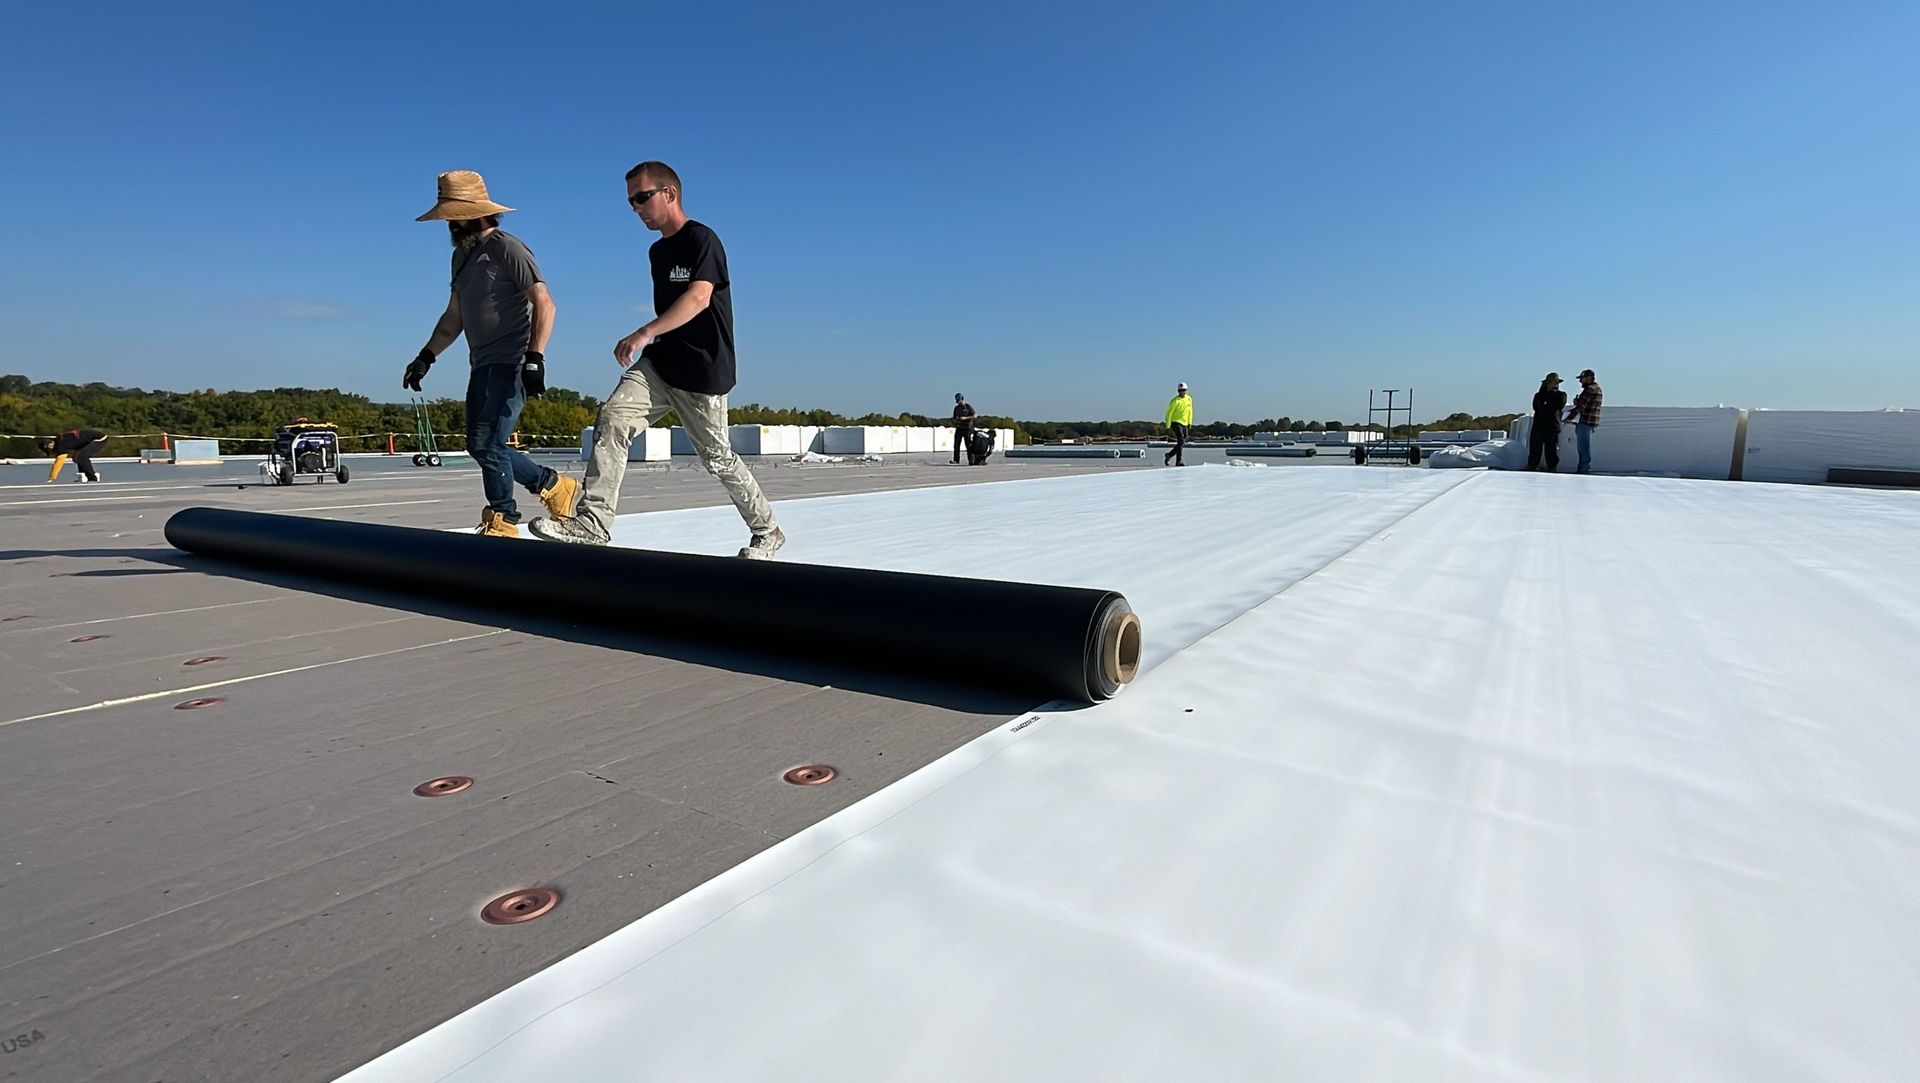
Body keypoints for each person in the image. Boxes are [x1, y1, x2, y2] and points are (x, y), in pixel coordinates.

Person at [531, 161, 783, 559]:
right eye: (631, 201)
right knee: (613, 417)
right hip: (660, 365)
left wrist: (645, 330)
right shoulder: (658, 251)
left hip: (702, 373)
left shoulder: (703, 240)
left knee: (717, 458)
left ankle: (767, 530)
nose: (636, 207)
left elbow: (699, 297)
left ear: (670, 194)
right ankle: (592, 523)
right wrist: (653, 338)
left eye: (643, 197)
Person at [405, 170, 578, 538]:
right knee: (479, 446)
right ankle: (552, 485)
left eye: (454, 215)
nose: (450, 223)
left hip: (512, 361)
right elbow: (454, 318)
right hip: (481, 364)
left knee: (492, 443)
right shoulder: (461, 259)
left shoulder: (506, 247)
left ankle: (504, 519)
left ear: (475, 213)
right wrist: (426, 356)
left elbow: (545, 304)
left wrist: (535, 358)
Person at [1527, 372, 1566, 472]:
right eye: (1554, 382)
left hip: (1552, 426)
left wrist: (1546, 405)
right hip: (1539, 425)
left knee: (1551, 449)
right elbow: (1536, 407)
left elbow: (1558, 405)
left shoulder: (1560, 395)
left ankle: (1552, 467)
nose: (1556, 384)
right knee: (1535, 447)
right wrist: (1547, 405)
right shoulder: (1539, 395)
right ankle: (1532, 465)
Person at [1569, 368, 1604, 474]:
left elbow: (1581, 407)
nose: (1580, 381)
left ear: (1589, 378)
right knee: (1584, 448)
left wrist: (1568, 417)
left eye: (1582, 378)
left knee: (1583, 449)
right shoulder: (1597, 389)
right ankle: (1583, 470)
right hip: (1590, 423)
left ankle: (1583, 471)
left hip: (1585, 422)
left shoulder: (1590, 389)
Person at [42, 428, 106, 483]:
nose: (53, 451)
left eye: (50, 449)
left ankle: (92, 478)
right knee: (77, 457)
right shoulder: (61, 439)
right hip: (90, 440)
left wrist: (52, 478)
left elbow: (59, 462)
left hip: (100, 439)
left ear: (50, 444)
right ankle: (83, 475)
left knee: (81, 456)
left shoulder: (62, 444)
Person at [1163, 382, 1193, 466]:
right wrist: (1168, 426)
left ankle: (1169, 455)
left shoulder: (1189, 399)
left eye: (1183, 390)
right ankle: (1178, 461)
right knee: (1181, 440)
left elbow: (1190, 411)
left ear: (1186, 391)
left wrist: (1190, 422)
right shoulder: (1174, 401)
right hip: (1176, 422)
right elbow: (1169, 413)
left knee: (1183, 441)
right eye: (1180, 391)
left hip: (1185, 423)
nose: (1182, 392)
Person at [951, 393, 977, 464]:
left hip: (967, 428)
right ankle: (956, 459)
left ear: (962, 399)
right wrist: (956, 419)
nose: (958, 402)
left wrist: (965, 418)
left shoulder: (968, 406)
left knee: (968, 444)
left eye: (959, 400)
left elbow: (974, 416)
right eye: (957, 401)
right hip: (959, 427)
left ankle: (971, 460)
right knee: (956, 444)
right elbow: (954, 417)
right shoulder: (956, 408)